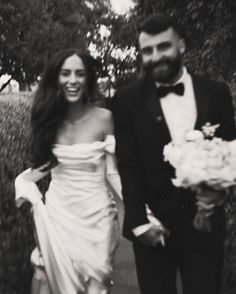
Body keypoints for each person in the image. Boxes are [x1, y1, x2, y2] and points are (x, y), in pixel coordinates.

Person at [112, 12, 236, 294]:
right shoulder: (126, 99)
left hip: (205, 228)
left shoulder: (216, 93)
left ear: (181, 45)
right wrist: (138, 222)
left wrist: (220, 190)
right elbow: (127, 165)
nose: (156, 56)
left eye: (163, 47)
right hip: (154, 228)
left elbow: (231, 150)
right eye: (147, 51)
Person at [15, 48, 122, 294]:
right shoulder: (49, 119)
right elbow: (46, 165)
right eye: (65, 74)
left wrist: (142, 209)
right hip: (58, 216)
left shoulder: (105, 118)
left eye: (79, 74)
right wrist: (23, 183)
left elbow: (112, 173)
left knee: (93, 283)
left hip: (97, 219)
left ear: (88, 80)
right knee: (46, 276)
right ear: (56, 79)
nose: (72, 80)